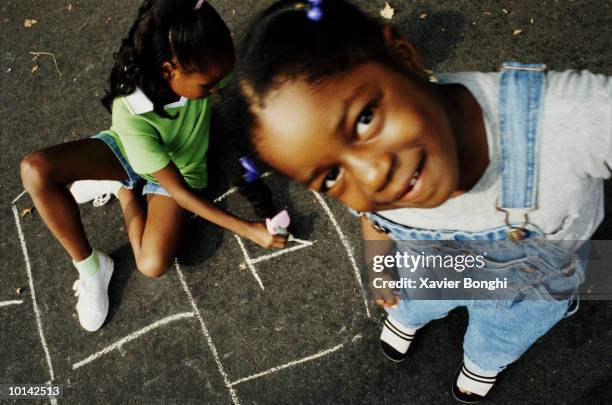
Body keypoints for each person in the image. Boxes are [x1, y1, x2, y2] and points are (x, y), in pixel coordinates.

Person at [229, 0, 611, 402]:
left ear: (403, 55)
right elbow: (375, 222)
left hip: (529, 286)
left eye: (364, 119)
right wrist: (378, 268)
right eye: (331, 175)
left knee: (504, 332)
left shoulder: (566, 119)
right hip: (434, 267)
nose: (373, 175)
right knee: (416, 296)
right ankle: (409, 317)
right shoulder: (373, 183)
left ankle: (484, 359)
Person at [19, 0, 286, 333]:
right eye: (207, 85)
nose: (216, 89)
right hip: (137, 156)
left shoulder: (204, 61)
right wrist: (248, 229)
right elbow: (179, 193)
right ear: (167, 71)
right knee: (35, 170)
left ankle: (124, 190)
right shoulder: (130, 109)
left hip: (180, 167)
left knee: (151, 262)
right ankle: (92, 265)